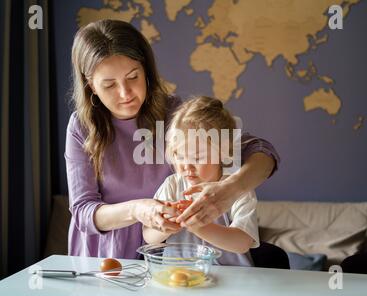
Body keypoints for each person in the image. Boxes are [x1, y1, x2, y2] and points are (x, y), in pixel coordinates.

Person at [66, 19, 280, 258]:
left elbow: (261, 150)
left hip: (163, 259)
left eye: (133, 77)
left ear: (146, 70)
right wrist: (138, 209)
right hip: (105, 255)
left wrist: (232, 188)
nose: (125, 94)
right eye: (109, 85)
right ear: (91, 86)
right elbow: (83, 212)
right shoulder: (81, 127)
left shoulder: (176, 115)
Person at [143, 96, 260, 266]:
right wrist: (164, 226)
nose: (186, 166)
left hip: (232, 282)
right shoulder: (172, 185)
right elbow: (148, 237)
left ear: (223, 152)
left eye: (197, 158)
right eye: (179, 156)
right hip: (179, 279)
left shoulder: (236, 189)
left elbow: (242, 243)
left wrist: (199, 226)